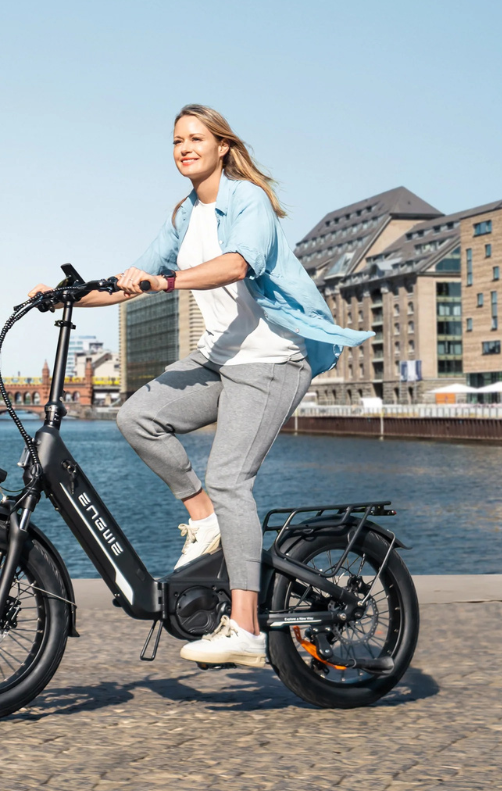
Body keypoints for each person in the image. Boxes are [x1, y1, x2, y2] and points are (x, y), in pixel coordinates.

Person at [30, 104, 371, 667]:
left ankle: (245, 627)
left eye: (195, 138)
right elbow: (129, 280)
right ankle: (202, 515)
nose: (184, 147)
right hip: (221, 357)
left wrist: (167, 281)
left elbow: (239, 264)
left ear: (221, 146)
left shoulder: (247, 200)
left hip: (269, 358)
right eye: (175, 141)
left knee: (230, 477)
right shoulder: (186, 213)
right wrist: (64, 296)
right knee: (137, 417)